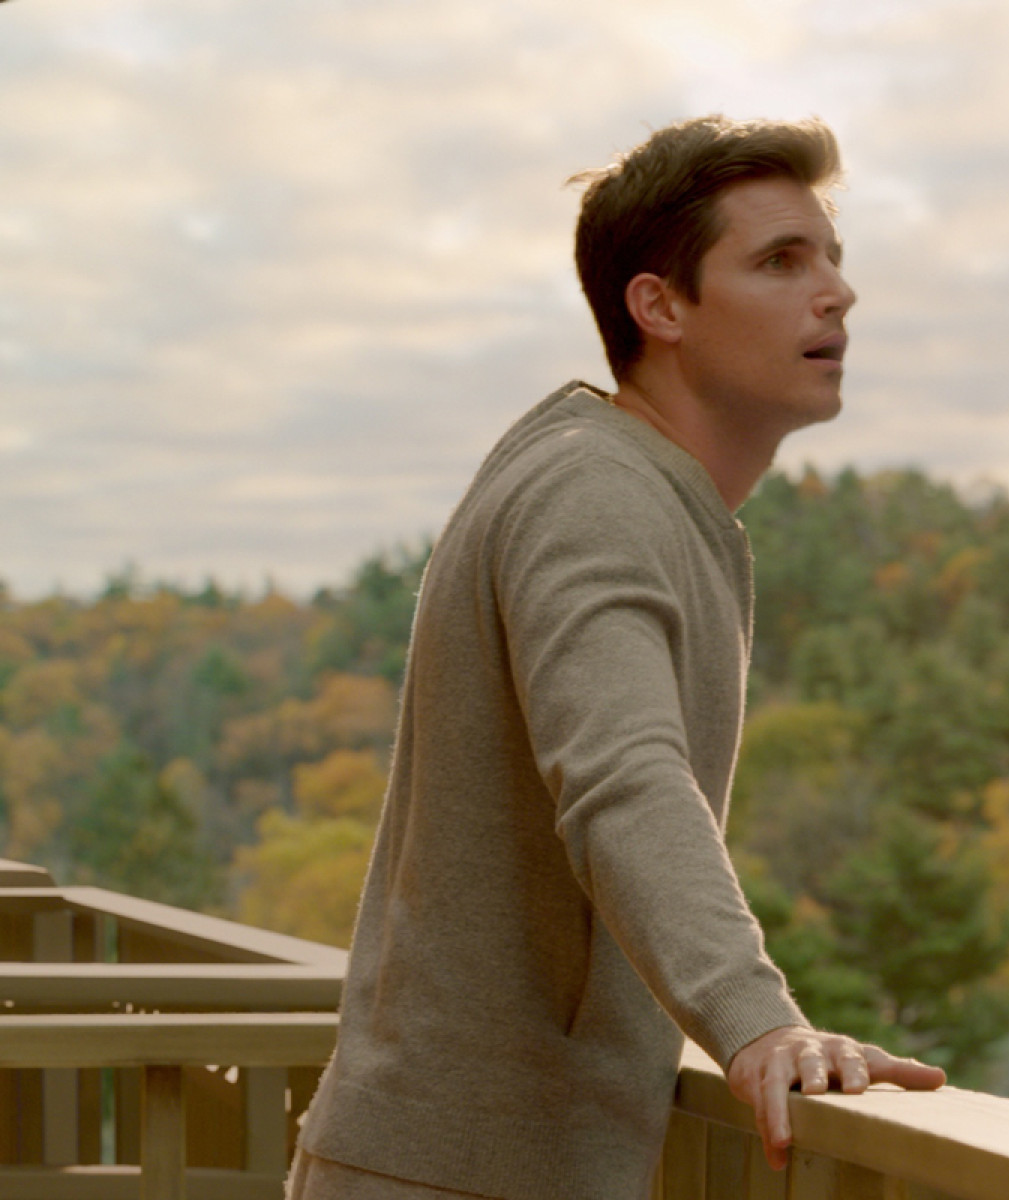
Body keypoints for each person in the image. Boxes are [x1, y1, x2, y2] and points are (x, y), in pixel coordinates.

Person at [288, 115, 945, 1200]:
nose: (837, 292)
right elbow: (623, 776)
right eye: (781, 261)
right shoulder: (594, 492)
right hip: (461, 1175)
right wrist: (756, 1018)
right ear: (661, 306)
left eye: (831, 257)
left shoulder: (622, 485)